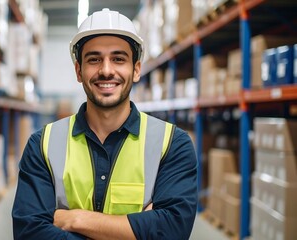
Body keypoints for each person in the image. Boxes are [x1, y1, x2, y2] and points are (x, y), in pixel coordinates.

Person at [12, 8, 198, 240]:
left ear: (136, 69)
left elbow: (172, 230)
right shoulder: (43, 144)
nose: (106, 70)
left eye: (118, 59)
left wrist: (75, 219)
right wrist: (137, 229)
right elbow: (29, 232)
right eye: (94, 59)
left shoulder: (172, 144)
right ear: (79, 71)